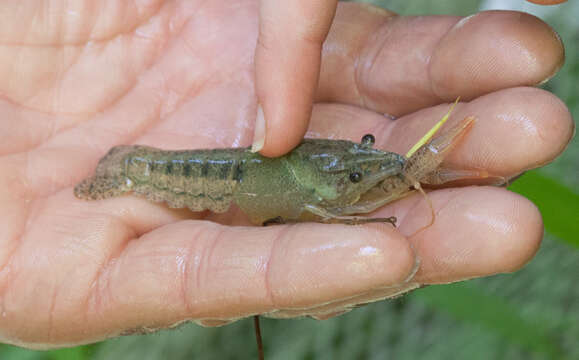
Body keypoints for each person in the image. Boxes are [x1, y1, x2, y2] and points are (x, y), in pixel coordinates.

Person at [0, 0, 573, 348]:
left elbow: (352, 177)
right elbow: (324, 200)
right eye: (356, 176)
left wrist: (376, 176)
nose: (367, 173)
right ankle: (129, 170)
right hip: (175, 172)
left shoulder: (340, 161)